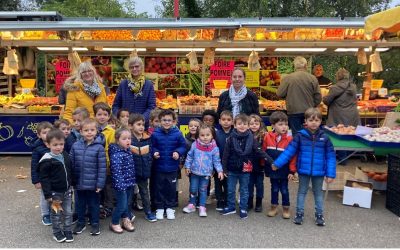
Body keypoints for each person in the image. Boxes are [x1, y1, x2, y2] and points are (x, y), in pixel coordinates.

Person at [272, 108, 336, 226]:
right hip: (303, 171)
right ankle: (299, 213)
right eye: (311, 120)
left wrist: (330, 173)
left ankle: (319, 215)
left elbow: (330, 156)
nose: (314, 122)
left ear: (321, 121)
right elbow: (289, 151)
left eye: (317, 120)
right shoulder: (300, 136)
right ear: (305, 121)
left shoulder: (325, 138)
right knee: (302, 192)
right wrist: (277, 163)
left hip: (319, 172)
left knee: (318, 193)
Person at [221, 114, 273, 219]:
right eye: (239, 124)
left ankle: (243, 208)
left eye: (245, 124)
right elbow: (225, 154)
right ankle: (231, 207)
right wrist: (224, 169)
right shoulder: (231, 138)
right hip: (232, 169)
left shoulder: (251, 138)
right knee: (231, 189)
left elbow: (259, 151)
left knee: (244, 190)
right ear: (234, 125)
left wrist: (271, 161)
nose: (242, 126)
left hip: (245, 169)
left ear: (248, 126)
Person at [70, 118, 106, 236]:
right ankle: (80, 223)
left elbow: (102, 167)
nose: (89, 132)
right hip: (79, 182)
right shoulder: (75, 146)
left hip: (93, 184)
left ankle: (95, 223)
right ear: (81, 132)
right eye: (86, 130)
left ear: (96, 131)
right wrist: (71, 180)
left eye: (92, 130)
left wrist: (100, 184)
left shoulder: (99, 147)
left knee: (94, 204)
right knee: (79, 204)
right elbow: (71, 163)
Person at [38, 128, 73, 243]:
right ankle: (57, 232)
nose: (59, 147)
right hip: (55, 194)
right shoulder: (47, 160)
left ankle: (68, 230)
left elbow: (69, 171)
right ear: (48, 144)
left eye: (61, 144)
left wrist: (73, 183)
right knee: (56, 213)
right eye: (55, 145)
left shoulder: (65, 155)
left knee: (68, 212)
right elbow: (44, 179)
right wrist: (48, 194)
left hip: (67, 191)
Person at [151, 109, 186, 220]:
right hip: (159, 167)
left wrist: (178, 152)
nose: (166, 122)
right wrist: (154, 152)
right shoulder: (155, 134)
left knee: (171, 188)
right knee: (159, 188)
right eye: (164, 120)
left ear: (174, 122)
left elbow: (183, 146)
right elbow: (152, 146)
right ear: (160, 121)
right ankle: (160, 207)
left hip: (172, 167)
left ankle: (170, 208)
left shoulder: (178, 133)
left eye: (169, 120)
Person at [183, 124, 224, 217]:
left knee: (203, 190)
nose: (205, 137)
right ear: (198, 135)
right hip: (194, 172)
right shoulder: (195, 145)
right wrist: (187, 167)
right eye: (202, 135)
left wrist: (220, 171)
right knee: (193, 189)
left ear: (212, 135)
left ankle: (202, 206)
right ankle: (192, 204)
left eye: (207, 135)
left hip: (206, 173)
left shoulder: (214, 148)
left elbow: (217, 161)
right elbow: (189, 156)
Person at [262, 111, 296, 219]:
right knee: (274, 188)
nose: (284, 127)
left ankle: (286, 208)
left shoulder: (290, 139)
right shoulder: (267, 137)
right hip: (272, 169)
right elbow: (263, 152)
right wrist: (263, 166)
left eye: (286, 124)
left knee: (284, 189)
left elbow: (293, 157)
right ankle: (273, 207)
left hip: (285, 170)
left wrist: (292, 171)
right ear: (273, 125)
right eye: (280, 124)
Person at [277, 56, 322, 135]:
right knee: (309, 134)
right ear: (305, 65)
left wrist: (288, 96)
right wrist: (312, 105)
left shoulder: (288, 78)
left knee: (297, 135)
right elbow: (318, 97)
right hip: (309, 112)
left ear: (294, 66)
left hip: (293, 111)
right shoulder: (313, 78)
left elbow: (280, 93)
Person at [128, 113, 157, 222]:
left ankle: (148, 212)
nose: (141, 127)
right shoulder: (128, 139)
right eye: (138, 124)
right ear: (131, 126)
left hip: (143, 171)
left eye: (143, 124)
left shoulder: (147, 138)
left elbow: (150, 155)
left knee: (144, 192)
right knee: (130, 193)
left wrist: (149, 164)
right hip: (131, 172)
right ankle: (128, 213)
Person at [112, 57, 156, 126]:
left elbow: (151, 107)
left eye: (137, 66)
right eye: (132, 67)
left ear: (141, 67)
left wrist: (142, 118)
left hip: (142, 125)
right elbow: (116, 105)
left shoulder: (148, 84)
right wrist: (121, 117)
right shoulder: (123, 84)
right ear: (129, 69)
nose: (134, 69)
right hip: (125, 125)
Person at [108, 128, 136, 234]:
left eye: (129, 138)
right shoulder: (116, 154)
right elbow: (116, 171)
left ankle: (125, 220)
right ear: (117, 140)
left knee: (127, 203)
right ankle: (114, 222)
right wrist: (120, 185)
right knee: (122, 205)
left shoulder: (127, 151)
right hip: (121, 185)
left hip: (129, 182)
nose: (128, 141)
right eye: (124, 139)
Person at [93, 102, 115, 220]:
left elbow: (112, 148)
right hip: (95, 164)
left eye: (105, 114)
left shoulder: (111, 132)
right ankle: (98, 206)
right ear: (95, 115)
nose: (102, 117)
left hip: (107, 163)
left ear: (109, 116)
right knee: (97, 187)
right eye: (99, 114)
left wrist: (111, 164)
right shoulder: (92, 130)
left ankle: (108, 207)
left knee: (108, 187)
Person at [30, 121, 53, 226]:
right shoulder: (37, 149)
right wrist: (36, 180)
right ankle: (45, 214)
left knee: (55, 195)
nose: (47, 135)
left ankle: (54, 211)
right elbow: (34, 166)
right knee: (45, 196)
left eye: (49, 132)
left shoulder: (55, 144)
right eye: (44, 132)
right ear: (38, 135)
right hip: (44, 178)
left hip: (55, 176)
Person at [215, 110, 233, 211]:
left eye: (228, 120)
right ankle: (219, 200)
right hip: (218, 164)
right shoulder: (217, 134)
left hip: (229, 164)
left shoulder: (234, 133)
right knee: (218, 183)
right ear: (219, 121)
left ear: (233, 121)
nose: (226, 122)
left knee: (228, 184)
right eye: (223, 120)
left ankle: (227, 200)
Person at [247, 114, 266, 212]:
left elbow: (264, 151)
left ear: (260, 124)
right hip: (249, 164)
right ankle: (249, 202)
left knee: (259, 185)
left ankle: (259, 202)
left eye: (256, 123)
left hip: (259, 165)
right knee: (249, 184)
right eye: (251, 124)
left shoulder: (263, 136)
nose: (254, 125)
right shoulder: (245, 135)